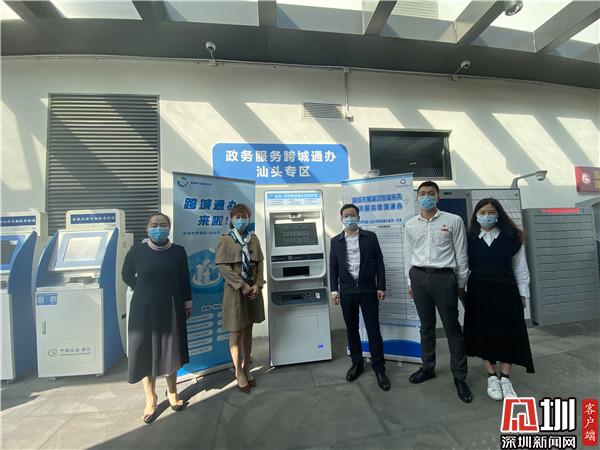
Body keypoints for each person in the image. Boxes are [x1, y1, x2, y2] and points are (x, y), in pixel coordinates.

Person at [404, 181, 473, 403]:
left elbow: (461, 253)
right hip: (418, 276)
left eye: (431, 193)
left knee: (452, 328)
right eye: (422, 193)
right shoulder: (410, 224)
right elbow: (408, 254)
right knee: (426, 326)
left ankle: (460, 377)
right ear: (417, 198)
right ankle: (428, 367)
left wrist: (461, 283)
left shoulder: (453, 220)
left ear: (438, 197)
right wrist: (409, 281)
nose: (426, 197)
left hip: (445, 278)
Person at [122, 213, 191, 424]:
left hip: (171, 306)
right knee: (146, 351)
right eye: (154, 225)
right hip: (143, 308)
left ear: (169, 227)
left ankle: (172, 392)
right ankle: (150, 398)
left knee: (171, 350)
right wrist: (142, 288)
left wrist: (187, 302)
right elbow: (126, 274)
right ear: (147, 228)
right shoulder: (137, 251)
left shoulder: (178, 251)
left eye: (163, 224)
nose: (158, 228)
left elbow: (184, 279)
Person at [464, 198, 535, 400]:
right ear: (476, 215)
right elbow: (463, 265)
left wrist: (523, 295)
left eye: (491, 212)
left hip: (506, 291)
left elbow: (521, 269)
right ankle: (491, 376)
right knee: (483, 333)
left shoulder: (513, 238)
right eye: (482, 212)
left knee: (508, 333)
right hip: (478, 292)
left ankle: (505, 378)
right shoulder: (469, 239)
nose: (486, 216)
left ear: (499, 214)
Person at [330, 203, 390, 391]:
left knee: (373, 329)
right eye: (346, 216)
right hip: (347, 292)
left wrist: (381, 286)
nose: (349, 218)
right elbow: (333, 267)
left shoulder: (370, 237)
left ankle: (379, 368)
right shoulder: (335, 241)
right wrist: (334, 291)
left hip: (368, 290)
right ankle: (357, 363)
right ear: (341, 219)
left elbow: (379, 263)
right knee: (351, 329)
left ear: (358, 217)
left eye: (352, 215)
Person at [215, 203, 265, 393]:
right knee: (236, 331)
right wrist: (242, 286)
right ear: (231, 219)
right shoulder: (225, 240)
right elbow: (223, 267)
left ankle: (246, 367)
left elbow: (260, 264)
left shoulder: (253, 239)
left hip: (253, 290)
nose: (241, 220)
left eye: (244, 216)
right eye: (237, 217)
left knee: (248, 328)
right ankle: (238, 371)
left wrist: (257, 285)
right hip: (235, 291)